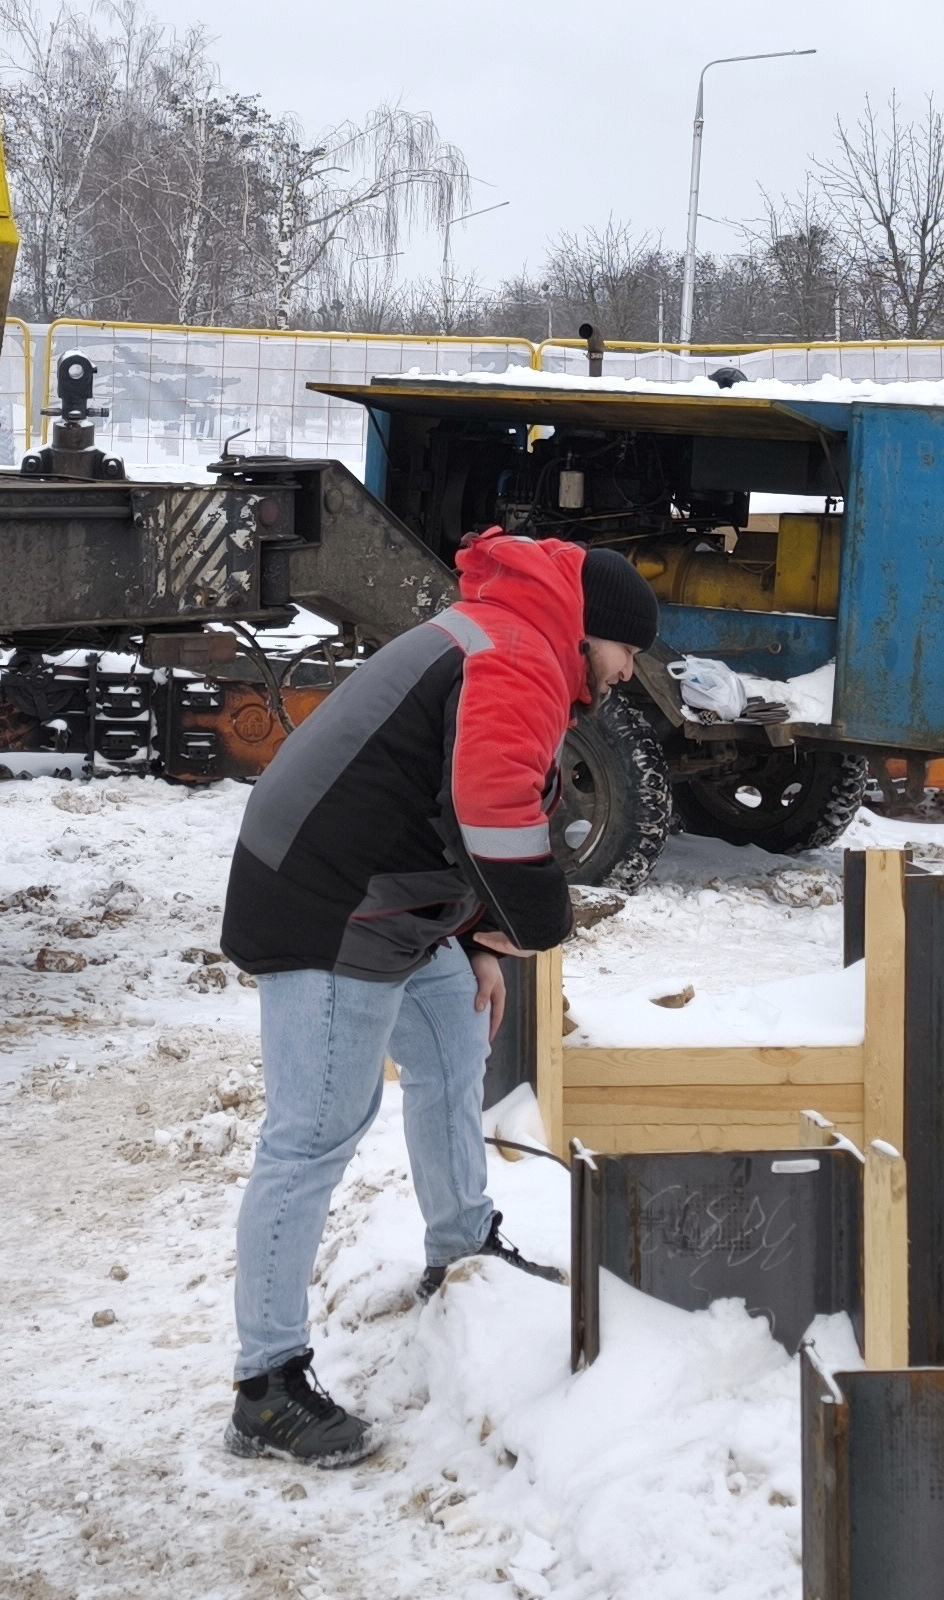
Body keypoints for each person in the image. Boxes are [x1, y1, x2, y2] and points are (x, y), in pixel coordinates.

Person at [213, 532, 656, 1468]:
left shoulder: (513, 640)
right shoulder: (518, 653)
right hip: (326, 899)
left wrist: (466, 939)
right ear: (596, 633)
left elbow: (435, 795)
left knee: (457, 1046)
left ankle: (461, 1246)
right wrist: (538, 927)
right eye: (628, 653)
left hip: (389, 896)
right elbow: (493, 810)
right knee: (314, 1133)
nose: (626, 674)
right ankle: (267, 1385)